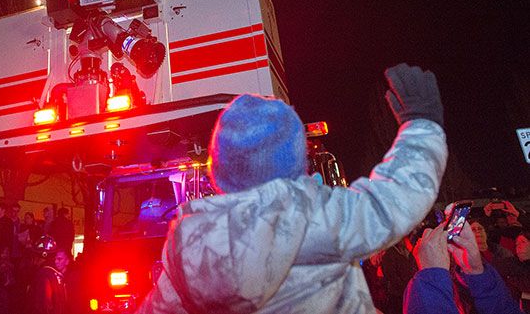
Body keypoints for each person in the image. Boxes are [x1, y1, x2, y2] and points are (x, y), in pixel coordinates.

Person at [137, 63, 448, 313]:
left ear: (219, 169)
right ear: (296, 162)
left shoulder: (189, 245)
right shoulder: (313, 214)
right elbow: (394, 200)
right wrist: (421, 123)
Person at [403, 221, 523, 314]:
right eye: (473, 229)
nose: (477, 232)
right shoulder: (467, 263)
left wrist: (431, 277)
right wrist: (477, 272)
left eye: (479, 229)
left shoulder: (501, 252)